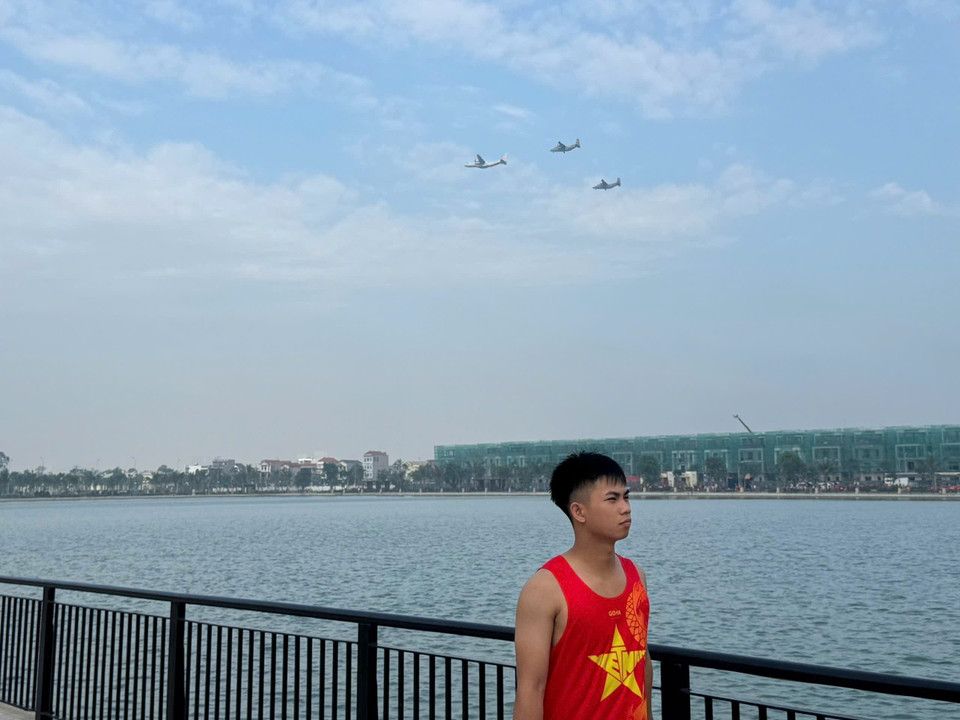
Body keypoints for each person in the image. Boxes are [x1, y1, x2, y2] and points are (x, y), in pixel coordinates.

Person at [513, 452, 652, 720]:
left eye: (626, 496)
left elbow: (642, 661)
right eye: (612, 499)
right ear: (579, 511)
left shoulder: (637, 576)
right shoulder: (545, 589)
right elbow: (531, 689)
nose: (626, 507)